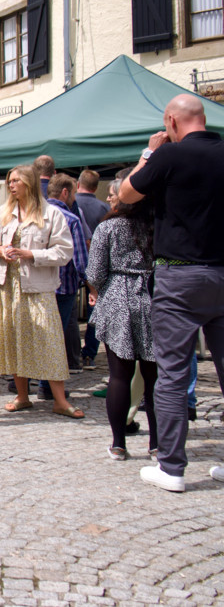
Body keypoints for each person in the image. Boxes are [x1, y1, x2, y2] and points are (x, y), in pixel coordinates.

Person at [120, 93, 224, 492]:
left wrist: (150, 152)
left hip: (180, 275)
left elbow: (128, 194)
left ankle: (172, 467)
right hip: (221, 272)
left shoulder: (170, 156)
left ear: (172, 121)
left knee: (172, 374)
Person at [0, 165, 80, 419]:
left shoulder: (50, 214)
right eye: (9, 180)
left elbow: (64, 252)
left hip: (38, 286)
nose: (11, 185)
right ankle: (22, 396)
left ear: (29, 183)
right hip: (8, 286)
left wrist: (31, 254)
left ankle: (59, 400)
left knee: (49, 341)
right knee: (14, 338)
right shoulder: (3, 213)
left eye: (16, 180)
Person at [86, 183, 157, 461]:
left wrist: (105, 290)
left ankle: (118, 444)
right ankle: (157, 445)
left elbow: (94, 272)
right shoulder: (157, 224)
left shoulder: (108, 228)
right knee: (154, 379)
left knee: (119, 376)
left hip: (118, 296)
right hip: (153, 294)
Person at [42, 174, 90, 397]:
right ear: (65, 192)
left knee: (40, 334)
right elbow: (81, 260)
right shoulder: (71, 219)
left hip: (40, 284)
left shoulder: (36, 214)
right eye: (73, 193)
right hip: (64, 286)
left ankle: (28, 380)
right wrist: (92, 286)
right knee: (55, 337)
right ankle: (47, 387)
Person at [76, 170, 109, 371]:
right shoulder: (104, 207)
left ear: (78, 184)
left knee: (70, 311)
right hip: (99, 262)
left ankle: (70, 353)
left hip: (72, 262)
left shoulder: (71, 203)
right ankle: (89, 354)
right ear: (96, 187)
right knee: (94, 308)